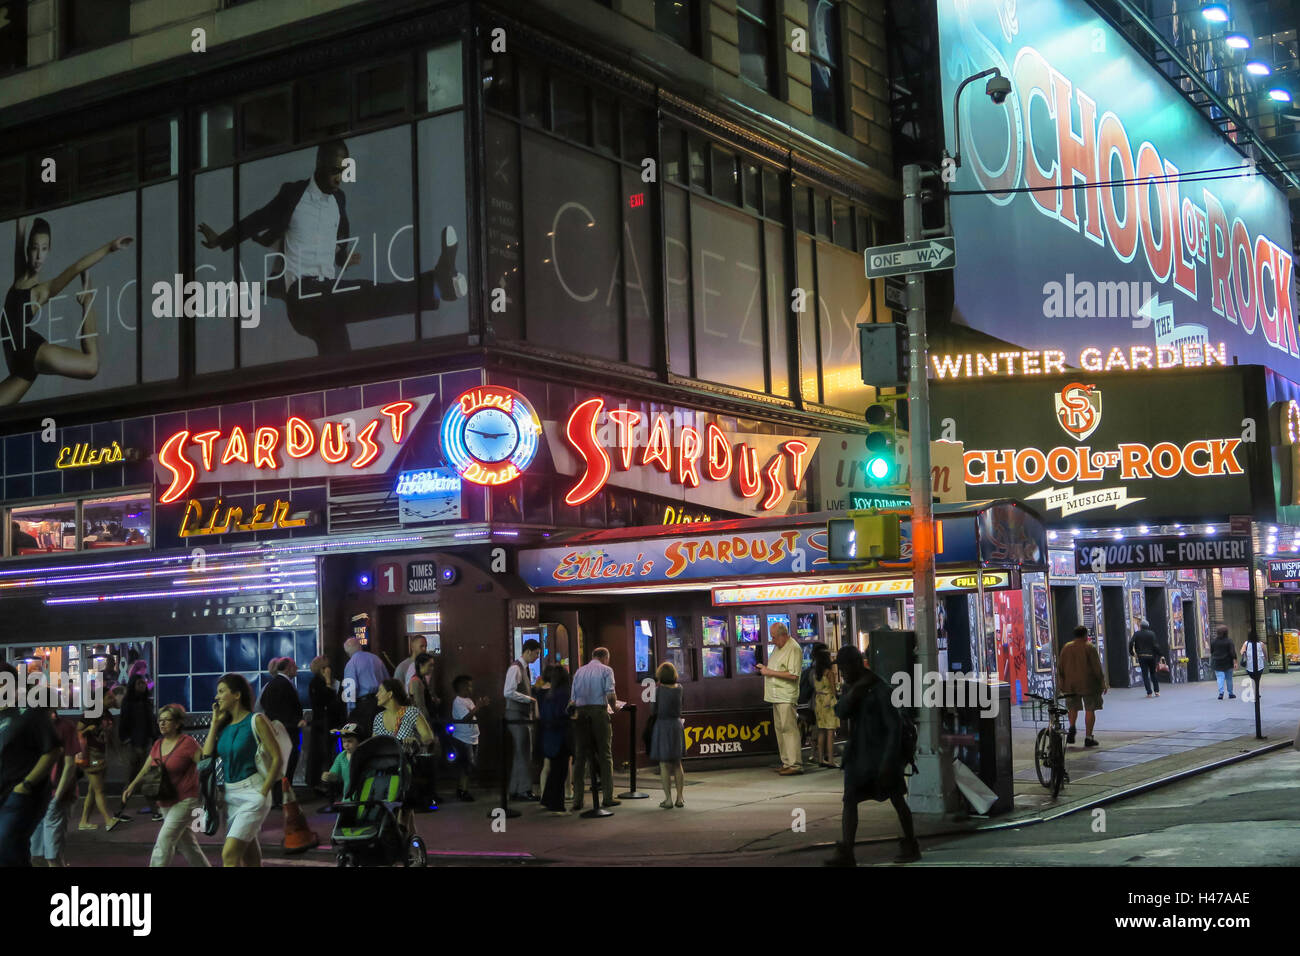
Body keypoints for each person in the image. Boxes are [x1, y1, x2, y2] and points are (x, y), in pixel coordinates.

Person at [196, 140, 465, 355]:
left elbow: (336, 243)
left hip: (328, 294)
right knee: (366, 292)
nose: (339, 177)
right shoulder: (294, 194)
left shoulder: (339, 200)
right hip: (303, 295)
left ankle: (440, 287)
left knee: (340, 362)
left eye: (344, 171)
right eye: (335, 170)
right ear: (320, 165)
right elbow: (260, 218)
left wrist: (343, 256)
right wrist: (223, 239)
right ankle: (435, 283)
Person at [2, 217, 132, 406]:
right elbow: (20, 229)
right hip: (19, 370)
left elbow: (76, 267)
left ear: (49, 252)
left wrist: (110, 247)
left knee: (91, 366)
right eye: (34, 248)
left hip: (33, 353)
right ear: (28, 249)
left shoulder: (41, 292)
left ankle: (87, 299)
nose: (38, 256)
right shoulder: (19, 277)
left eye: (44, 249)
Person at [826, 645, 918, 866]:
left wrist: (889, 761)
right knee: (850, 801)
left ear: (857, 664)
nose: (843, 673)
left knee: (897, 798)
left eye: (846, 668)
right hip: (860, 756)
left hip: (882, 755)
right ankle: (847, 850)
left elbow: (894, 726)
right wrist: (854, 692)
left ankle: (911, 842)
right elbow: (840, 711)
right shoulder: (855, 687)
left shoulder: (880, 689)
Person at [200, 673, 280, 867]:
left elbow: (277, 757)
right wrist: (214, 724)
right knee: (249, 854)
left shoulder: (256, 720)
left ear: (236, 695)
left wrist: (264, 791)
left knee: (229, 854)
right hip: (231, 795)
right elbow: (206, 755)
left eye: (221, 692)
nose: (217, 697)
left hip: (254, 792)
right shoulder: (225, 726)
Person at [122, 704, 209, 867]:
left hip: (185, 798)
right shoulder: (158, 744)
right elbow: (147, 767)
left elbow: (204, 767)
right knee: (187, 843)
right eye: (160, 721)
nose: (162, 724)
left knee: (164, 840)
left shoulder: (188, 743)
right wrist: (132, 785)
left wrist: (211, 795)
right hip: (165, 798)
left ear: (177, 723)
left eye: (167, 720)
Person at [0, 663, 64, 867]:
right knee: (13, 848)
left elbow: (53, 750)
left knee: (6, 843)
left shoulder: (29, 711)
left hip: (21, 793)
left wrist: (26, 785)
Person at [372, 679, 435, 834]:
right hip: (387, 772)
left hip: (408, 769)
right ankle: (413, 848)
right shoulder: (378, 718)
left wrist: (415, 740)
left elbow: (428, 737)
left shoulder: (411, 713)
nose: (376, 695)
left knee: (403, 814)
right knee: (405, 817)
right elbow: (374, 744)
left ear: (390, 694)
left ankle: (407, 844)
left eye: (380, 691)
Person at [570, 647, 620, 810]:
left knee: (580, 757)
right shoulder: (606, 670)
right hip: (598, 712)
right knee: (605, 755)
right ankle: (607, 797)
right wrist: (614, 707)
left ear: (592, 657)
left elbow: (573, 699)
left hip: (581, 715)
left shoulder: (579, 672)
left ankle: (577, 799)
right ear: (605, 657)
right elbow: (611, 694)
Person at [30, 709, 80, 867]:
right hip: (38, 793)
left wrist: (58, 795)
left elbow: (70, 765)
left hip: (53, 792)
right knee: (38, 852)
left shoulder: (65, 726)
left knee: (51, 853)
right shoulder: (32, 725)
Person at [758, 621, 804, 775]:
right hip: (775, 696)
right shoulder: (778, 648)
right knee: (780, 730)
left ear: (783, 635)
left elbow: (793, 674)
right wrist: (765, 669)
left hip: (786, 695)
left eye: (774, 637)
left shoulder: (794, 648)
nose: (772, 641)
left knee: (789, 729)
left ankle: (795, 764)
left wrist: (769, 672)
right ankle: (786, 762)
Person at [259, 657, 304, 806]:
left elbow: (264, 704)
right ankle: (284, 797)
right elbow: (288, 708)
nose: (297, 668)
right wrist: (293, 722)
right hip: (288, 731)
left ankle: (278, 797)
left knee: (279, 763)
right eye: (294, 666)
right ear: (288, 668)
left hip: (276, 730)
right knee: (288, 763)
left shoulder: (271, 685)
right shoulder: (285, 685)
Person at [503, 639, 541, 802]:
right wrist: (529, 699)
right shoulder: (515, 669)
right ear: (528, 651)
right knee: (523, 751)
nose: (537, 657)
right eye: (536, 653)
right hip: (516, 714)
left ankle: (516, 789)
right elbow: (508, 692)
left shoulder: (523, 669)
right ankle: (523, 790)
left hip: (520, 714)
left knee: (522, 752)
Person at [118, 675, 159, 819]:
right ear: (133, 685)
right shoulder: (129, 702)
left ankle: (154, 810)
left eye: (143, 683)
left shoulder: (146, 702)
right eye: (139, 683)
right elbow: (123, 723)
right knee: (132, 778)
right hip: (134, 745)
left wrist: (154, 738)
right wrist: (127, 740)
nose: (142, 686)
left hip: (146, 743)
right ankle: (121, 810)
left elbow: (151, 723)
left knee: (147, 778)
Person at [306, 654, 346, 802]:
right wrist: (329, 683)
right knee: (325, 754)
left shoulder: (323, 682)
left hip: (329, 723)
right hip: (323, 724)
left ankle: (329, 784)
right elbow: (325, 702)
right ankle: (325, 785)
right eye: (326, 667)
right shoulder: (316, 683)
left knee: (330, 752)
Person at [1059, 625, 1106, 747]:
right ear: (1085, 635)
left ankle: (1072, 727)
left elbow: (1060, 667)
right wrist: (1102, 682)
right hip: (1088, 684)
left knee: (1072, 708)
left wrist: (1062, 682)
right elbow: (1097, 667)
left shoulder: (1066, 647)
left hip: (1070, 684)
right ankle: (1088, 737)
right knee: (1090, 709)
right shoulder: (1089, 647)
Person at [649, 662, 685, 809]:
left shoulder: (658, 691)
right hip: (677, 725)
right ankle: (680, 798)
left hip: (663, 726)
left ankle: (668, 799)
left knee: (664, 764)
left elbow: (653, 710)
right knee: (677, 763)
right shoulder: (680, 689)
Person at [76, 714, 120, 832]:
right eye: (109, 697)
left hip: (99, 757)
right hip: (91, 758)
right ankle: (108, 820)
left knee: (92, 790)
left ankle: (83, 821)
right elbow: (78, 732)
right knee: (99, 790)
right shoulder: (88, 716)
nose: (113, 699)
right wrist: (87, 730)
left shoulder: (106, 714)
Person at [538, 666, 573, 813]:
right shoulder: (564, 694)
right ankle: (557, 805)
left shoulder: (548, 695)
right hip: (561, 735)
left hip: (550, 736)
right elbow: (563, 714)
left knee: (554, 770)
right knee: (561, 771)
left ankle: (547, 799)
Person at [450, 675, 488, 801]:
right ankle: (463, 791)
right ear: (463, 687)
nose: (471, 688)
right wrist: (478, 707)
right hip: (463, 738)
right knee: (466, 765)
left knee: (468, 765)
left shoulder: (469, 700)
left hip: (472, 737)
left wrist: (479, 706)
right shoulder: (458, 701)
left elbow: (473, 713)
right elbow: (465, 718)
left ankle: (462, 788)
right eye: (469, 686)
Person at [343, 637, 388, 740]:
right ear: (360, 646)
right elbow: (388, 682)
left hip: (363, 707)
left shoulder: (351, 664)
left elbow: (350, 689)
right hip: (381, 704)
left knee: (365, 739)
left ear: (347, 652)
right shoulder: (376, 659)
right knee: (380, 737)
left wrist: (350, 710)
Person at [812, 647, 840, 769]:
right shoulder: (829, 673)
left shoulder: (815, 674)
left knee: (821, 731)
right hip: (829, 701)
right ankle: (831, 760)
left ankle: (820, 758)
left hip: (819, 701)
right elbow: (833, 689)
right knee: (830, 732)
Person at [321, 724, 360, 808]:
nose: (346, 745)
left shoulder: (365, 756)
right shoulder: (341, 756)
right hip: (347, 800)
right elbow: (335, 775)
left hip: (364, 798)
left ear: (359, 741)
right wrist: (329, 776)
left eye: (350, 741)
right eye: (344, 742)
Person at [1129, 619, 1167, 698]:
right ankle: (1157, 691)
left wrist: (1132, 653)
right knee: (1153, 673)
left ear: (1141, 626)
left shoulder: (1137, 634)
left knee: (1145, 675)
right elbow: (1155, 646)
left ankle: (1149, 693)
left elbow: (1131, 642)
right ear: (1147, 626)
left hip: (1142, 656)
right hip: (1151, 657)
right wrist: (1161, 654)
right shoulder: (1152, 634)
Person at [1210, 625, 1238, 700]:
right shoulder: (1229, 641)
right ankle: (1231, 693)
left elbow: (1212, 651)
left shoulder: (1213, 641)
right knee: (1229, 678)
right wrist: (1235, 661)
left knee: (1220, 678)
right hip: (1228, 662)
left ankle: (1221, 693)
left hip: (1217, 662)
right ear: (1226, 632)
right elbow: (1232, 652)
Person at [1242, 629, 1267, 699]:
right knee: (1257, 679)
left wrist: (1245, 653)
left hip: (1249, 666)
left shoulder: (1246, 643)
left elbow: (1242, 651)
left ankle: (1255, 692)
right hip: (1259, 665)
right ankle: (1257, 692)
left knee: (1253, 679)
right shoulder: (1261, 644)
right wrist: (1265, 658)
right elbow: (1265, 652)